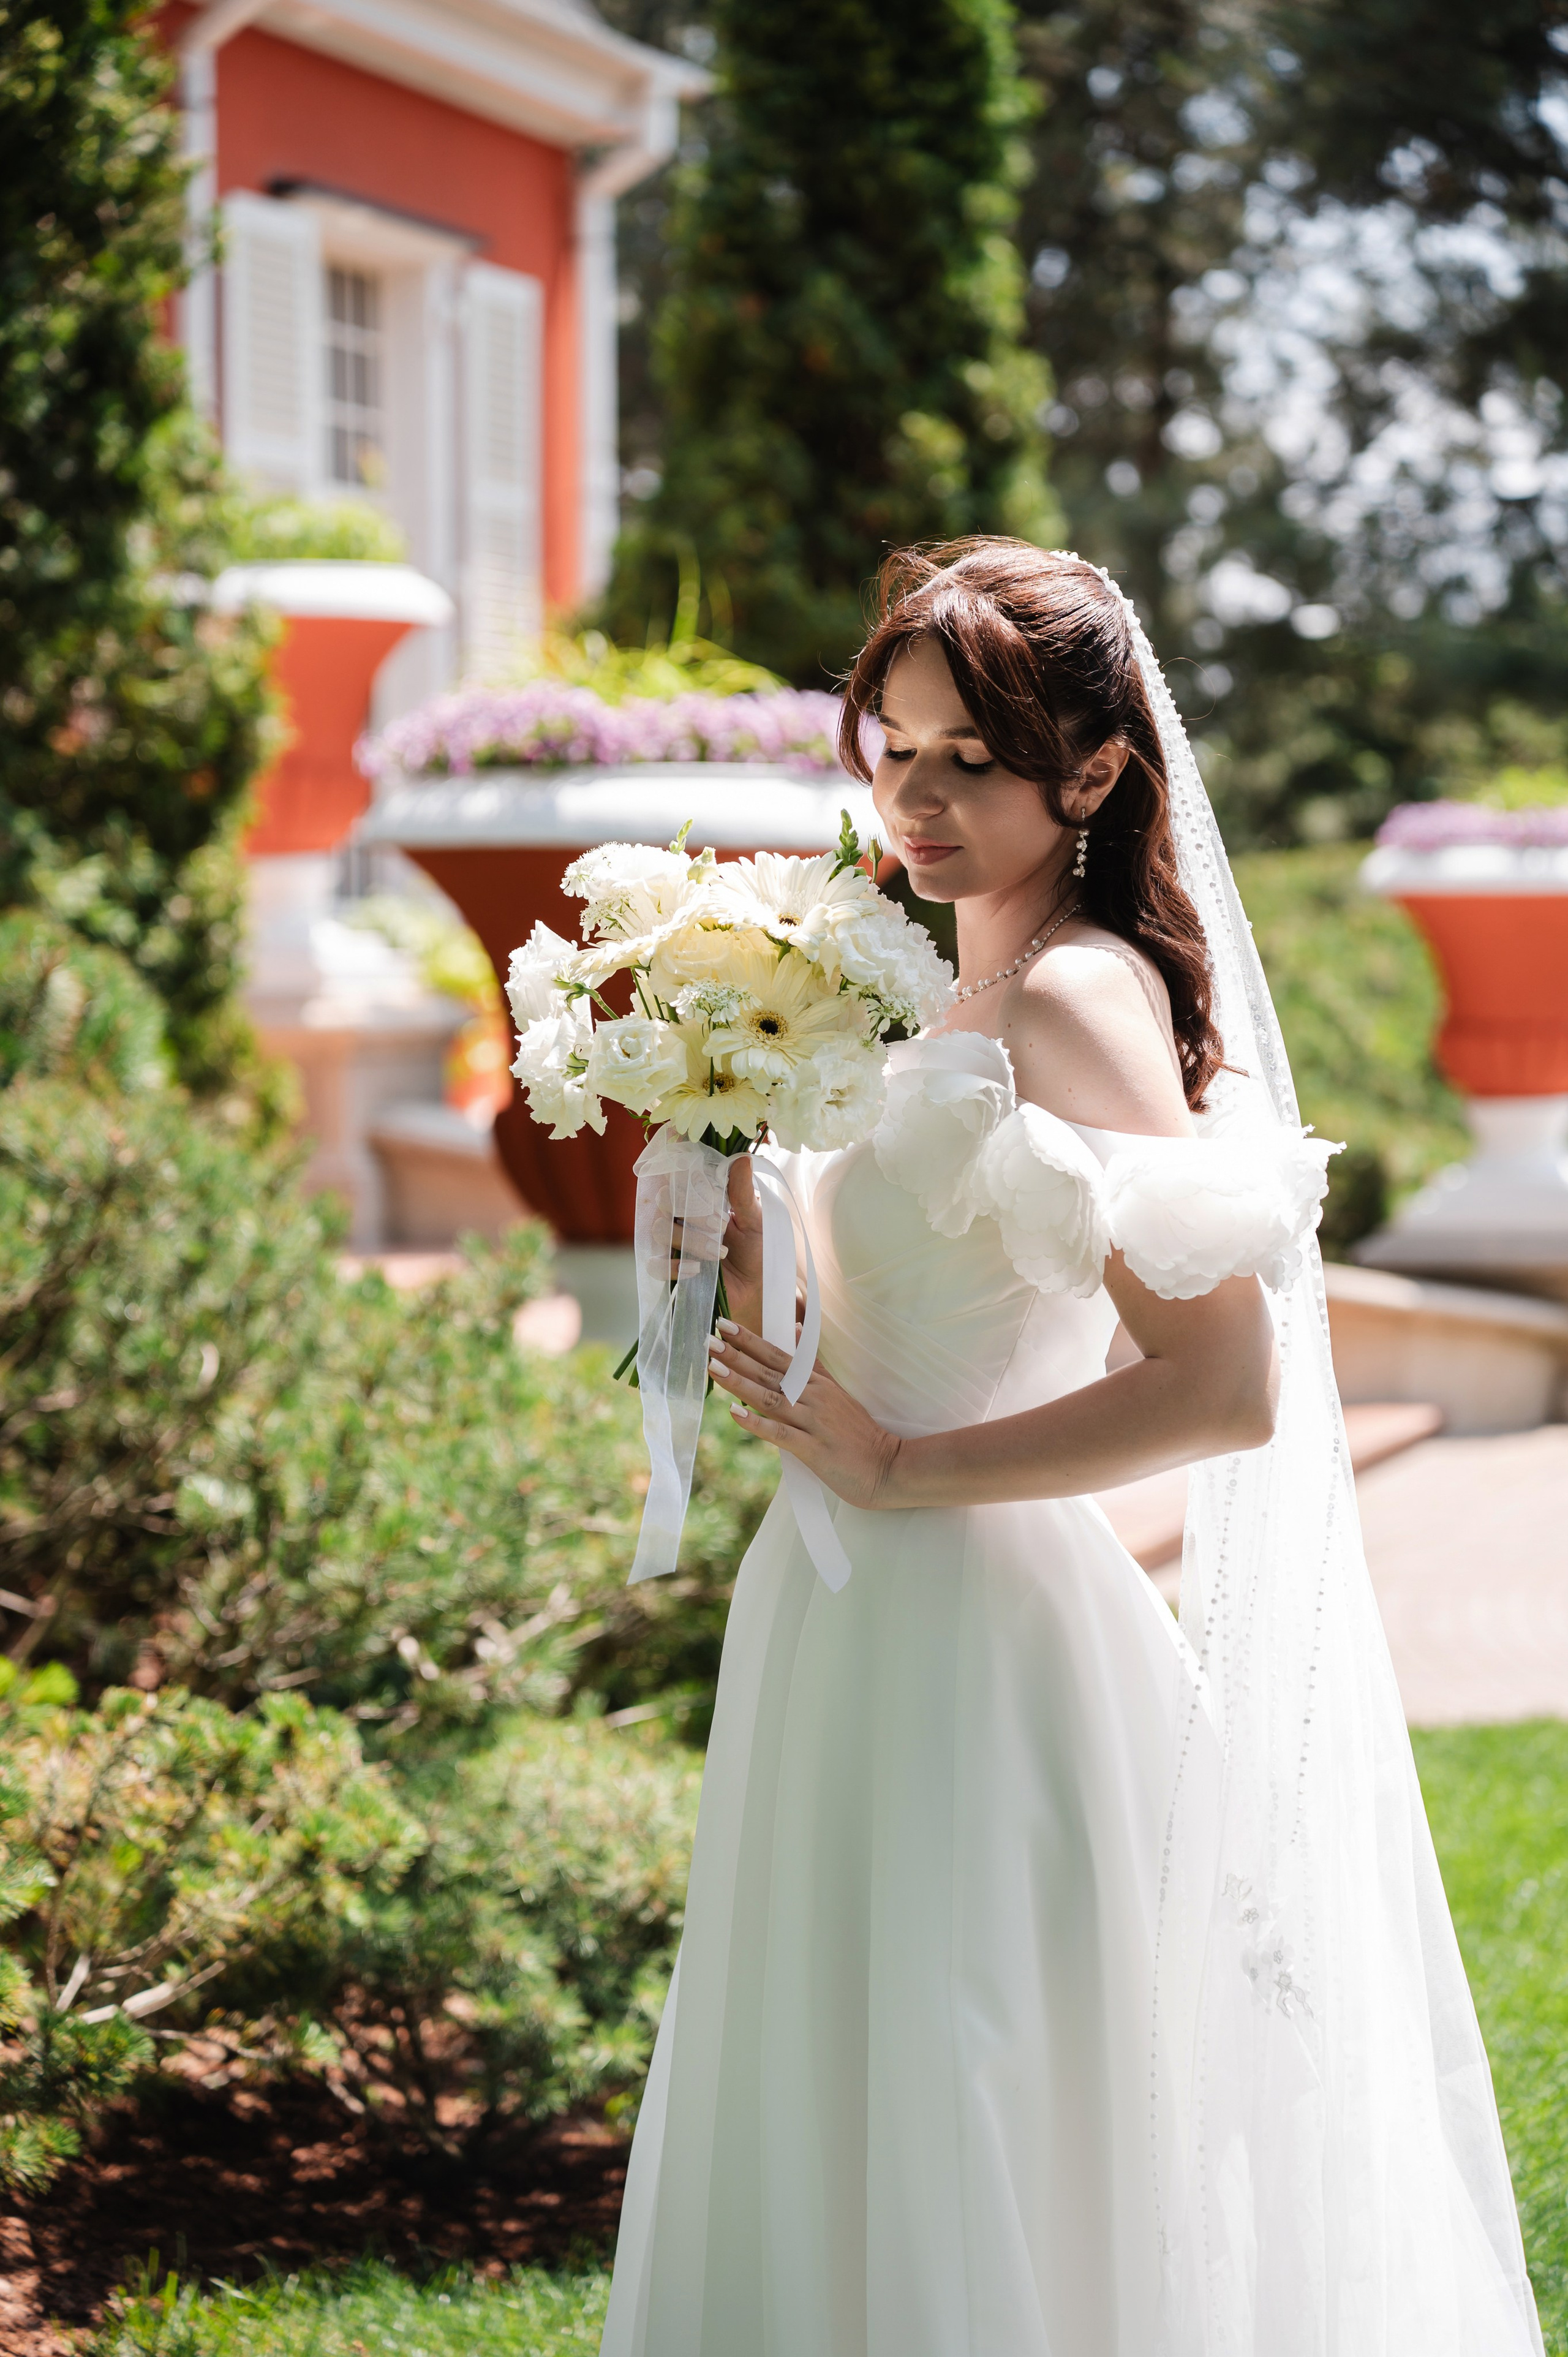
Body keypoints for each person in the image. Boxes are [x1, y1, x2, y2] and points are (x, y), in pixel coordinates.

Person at [599, 541, 1542, 2357]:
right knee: (849, 2074)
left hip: (977, 1627)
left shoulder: (1073, 998)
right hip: (841, 1609)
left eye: (973, 760)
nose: (919, 798)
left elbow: (1223, 1383)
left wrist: (899, 1469)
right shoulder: (920, 981)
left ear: (1095, 772)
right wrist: (728, 1201)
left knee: (980, 2085)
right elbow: (899, 1281)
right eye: (897, 750)